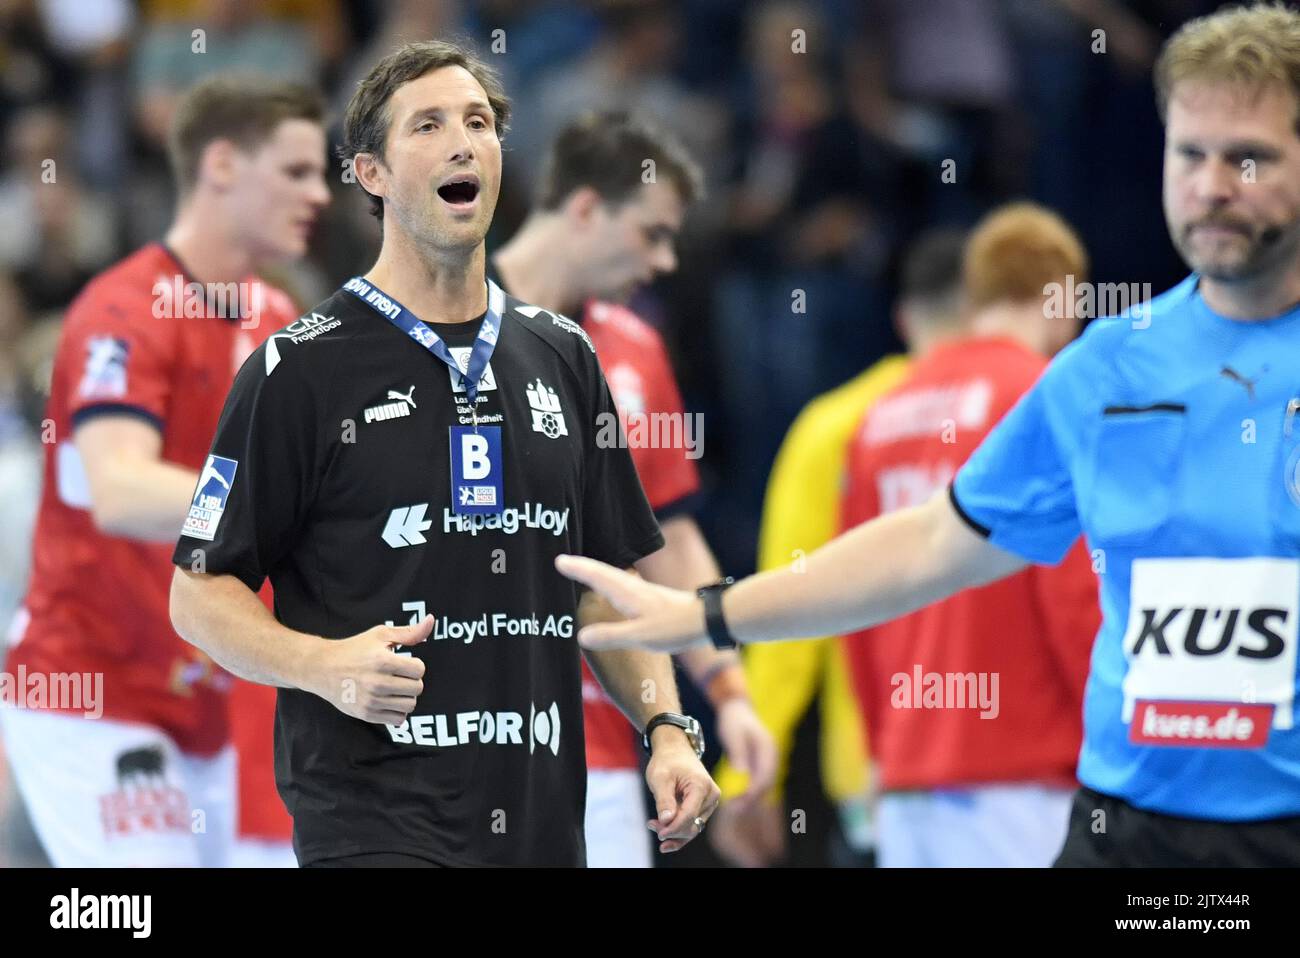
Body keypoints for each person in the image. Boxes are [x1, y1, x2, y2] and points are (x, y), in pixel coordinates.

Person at [555, 2, 1300, 867]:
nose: (1211, 185)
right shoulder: (1107, 368)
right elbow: (930, 545)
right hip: (1130, 836)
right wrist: (704, 613)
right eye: (1190, 153)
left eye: (1249, 158)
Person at [169, 39, 718, 868]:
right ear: (371, 174)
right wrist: (322, 665)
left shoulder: (563, 355)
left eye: (479, 122)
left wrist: (668, 732)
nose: (464, 142)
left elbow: (606, 589)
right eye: (427, 125)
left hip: (540, 827)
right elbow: (199, 591)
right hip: (373, 826)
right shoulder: (301, 368)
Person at [0, 75, 329, 867]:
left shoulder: (278, 320)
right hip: (91, 686)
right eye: (295, 172)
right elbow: (120, 489)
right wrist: (281, 503)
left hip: (208, 697)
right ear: (221, 165)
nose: (320, 194)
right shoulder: (123, 309)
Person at [491, 110, 776, 867]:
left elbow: (670, 539)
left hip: (607, 741)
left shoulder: (636, 349)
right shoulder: (440, 318)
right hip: (456, 739)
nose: (667, 261)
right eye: (652, 232)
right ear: (585, 208)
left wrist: (730, 693)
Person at [840, 203, 1100, 867]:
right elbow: (1074, 599)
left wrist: (882, 749)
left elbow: (853, 604)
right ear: (1061, 294)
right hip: (1023, 774)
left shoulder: (881, 416)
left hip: (905, 778)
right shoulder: (1042, 394)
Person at [709, 229, 968, 868]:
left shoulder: (838, 425)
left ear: (905, 317)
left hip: (877, 781)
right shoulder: (1037, 408)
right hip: (1031, 771)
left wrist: (746, 780)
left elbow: (788, 614)